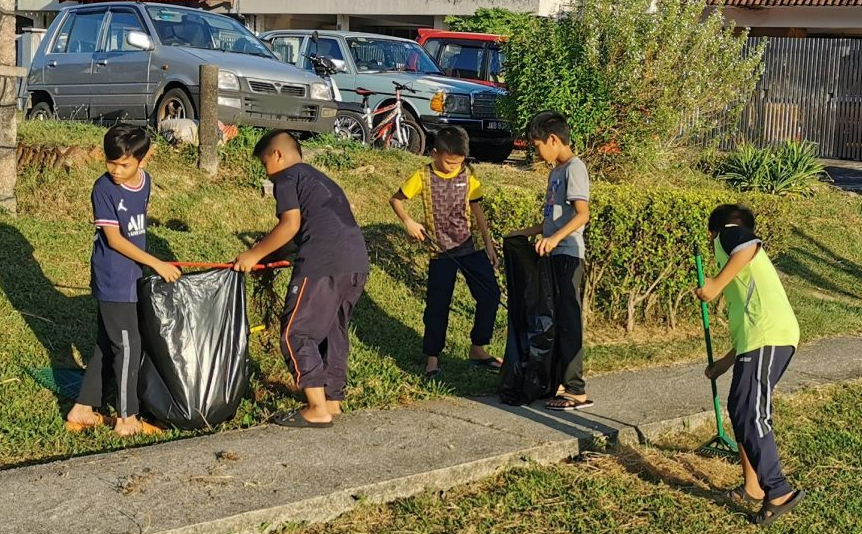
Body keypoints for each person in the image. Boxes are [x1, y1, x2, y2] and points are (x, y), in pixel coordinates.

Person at [234, 130, 369, 428]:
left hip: (323, 264)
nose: (267, 172)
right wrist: (269, 258)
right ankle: (332, 401)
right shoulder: (320, 180)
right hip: (356, 262)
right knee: (334, 331)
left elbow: (290, 224)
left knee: (296, 332)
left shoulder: (287, 177)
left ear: (278, 155)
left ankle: (317, 409)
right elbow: (301, 234)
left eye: (265, 163)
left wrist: (254, 254)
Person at [66, 125, 181, 436]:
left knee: (107, 344)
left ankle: (83, 408)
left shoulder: (145, 184)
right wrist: (157, 263)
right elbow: (115, 240)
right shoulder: (103, 189)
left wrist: (145, 265)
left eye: (125, 164)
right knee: (128, 346)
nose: (116, 170)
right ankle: (127, 419)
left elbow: (137, 227)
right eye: (111, 162)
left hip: (132, 273)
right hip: (113, 276)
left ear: (143, 161)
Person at [696, 204, 805, 526]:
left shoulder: (729, 234)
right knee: (740, 407)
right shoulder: (737, 259)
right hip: (758, 340)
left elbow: (748, 245)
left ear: (712, 231)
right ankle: (753, 487)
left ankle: (779, 490)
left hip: (769, 337)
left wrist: (714, 285)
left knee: (751, 411)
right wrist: (725, 363)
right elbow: (749, 319)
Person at [390, 126, 501, 381]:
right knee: (437, 307)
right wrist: (409, 221)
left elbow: (477, 210)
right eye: (449, 162)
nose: (453, 167)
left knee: (490, 295)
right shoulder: (422, 176)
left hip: (469, 247)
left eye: (458, 162)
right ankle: (432, 359)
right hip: (440, 252)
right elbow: (395, 200)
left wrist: (488, 242)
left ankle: (478, 348)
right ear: (435, 153)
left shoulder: (468, 176)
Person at [508, 111, 593, 411]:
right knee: (553, 321)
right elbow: (552, 221)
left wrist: (556, 240)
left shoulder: (574, 169)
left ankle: (577, 389)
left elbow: (582, 214)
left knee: (569, 322)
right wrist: (527, 232)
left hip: (569, 255)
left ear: (554, 140)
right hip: (553, 254)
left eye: (537, 145)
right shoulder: (554, 172)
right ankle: (558, 381)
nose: (536, 152)